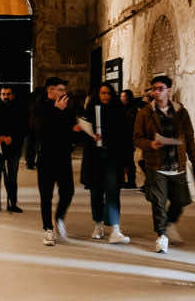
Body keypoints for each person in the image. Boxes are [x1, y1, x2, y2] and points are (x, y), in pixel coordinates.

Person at [133, 75, 195, 254]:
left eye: (160, 88)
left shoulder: (181, 112)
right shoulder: (145, 113)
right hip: (156, 165)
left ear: (169, 90)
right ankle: (161, 236)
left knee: (181, 200)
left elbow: (189, 138)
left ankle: (169, 222)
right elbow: (137, 138)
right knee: (158, 202)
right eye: (154, 89)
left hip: (177, 164)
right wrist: (150, 144)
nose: (156, 92)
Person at [82, 83, 130, 243]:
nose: (105, 96)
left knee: (112, 192)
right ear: (98, 94)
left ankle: (115, 228)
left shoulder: (118, 111)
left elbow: (124, 137)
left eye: (108, 93)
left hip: (112, 157)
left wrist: (125, 162)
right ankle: (98, 225)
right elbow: (83, 132)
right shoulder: (90, 110)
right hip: (94, 157)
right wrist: (89, 135)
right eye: (102, 93)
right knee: (96, 192)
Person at [33, 77, 78, 246]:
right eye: (60, 90)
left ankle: (59, 217)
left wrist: (77, 130)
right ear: (50, 91)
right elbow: (41, 130)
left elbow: (68, 129)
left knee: (68, 191)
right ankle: (48, 229)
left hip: (64, 156)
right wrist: (56, 110)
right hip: (46, 156)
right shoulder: (39, 107)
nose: (64, 93)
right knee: (46, 195)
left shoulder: (67, 107)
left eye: (64, 90)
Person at [0, 86, 26, 213]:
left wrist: (12, 137)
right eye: (3, 94)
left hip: (14, 149)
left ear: (12, 95)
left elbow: (24, 128)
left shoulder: (20, 109)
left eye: (8, 94)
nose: (6, 97)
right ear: (0, 95)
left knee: (12, 178)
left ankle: (12, 203)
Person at [119, 89, 145, 188]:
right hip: (122, 138)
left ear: (129, 98)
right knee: (122, 161)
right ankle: (122, 180)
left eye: (124, 97)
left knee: (129, 161)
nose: (122, 99)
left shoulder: (133, 110)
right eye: (121, 97)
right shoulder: (121, 108)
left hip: (128, 139)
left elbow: (130, 125)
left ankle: (131, 181)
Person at [25, 87, 45, 170]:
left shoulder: (30, 99)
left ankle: (29, 162)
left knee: (30, 144)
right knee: (38, 144)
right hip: (38, 125)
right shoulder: (42, 100)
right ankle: (36, 162)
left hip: (30, 125)